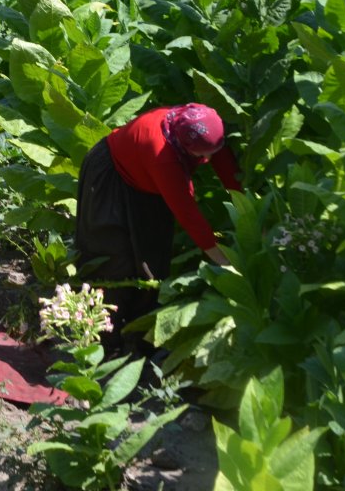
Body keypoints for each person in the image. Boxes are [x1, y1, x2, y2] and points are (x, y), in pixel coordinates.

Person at [74, 103, 242, 345]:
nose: (207, 160)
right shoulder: (162, 155)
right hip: (111, 177)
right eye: (202, 156)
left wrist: (246, 208)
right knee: (112, 261)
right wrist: (225, 263)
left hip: (145, 182)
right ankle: (99, 337)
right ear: (184, 146)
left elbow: (223, 164)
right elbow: (188, 215)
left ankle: (137, 336)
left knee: (152, 259)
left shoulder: (201, 124)